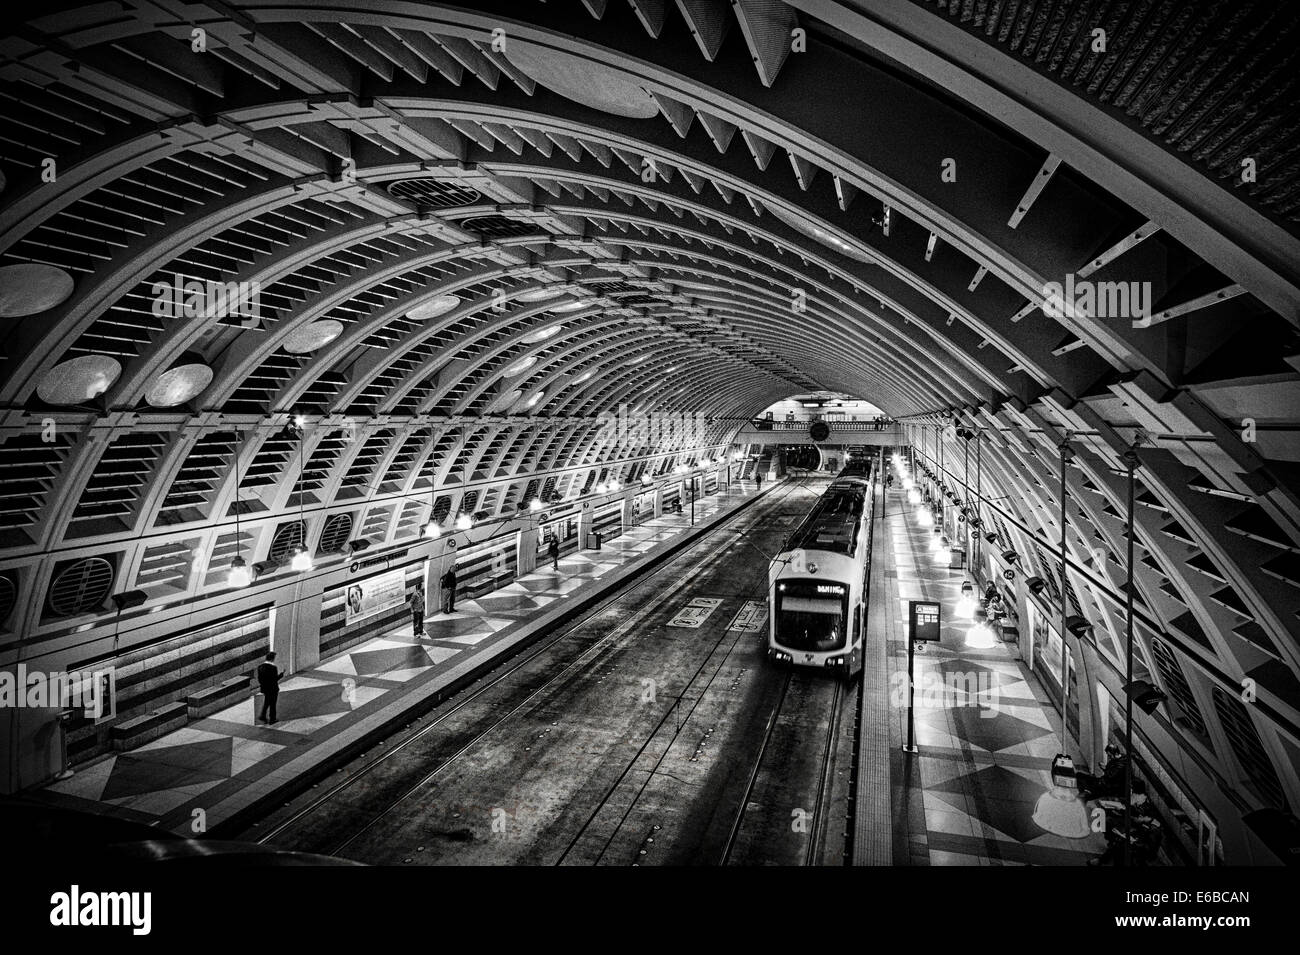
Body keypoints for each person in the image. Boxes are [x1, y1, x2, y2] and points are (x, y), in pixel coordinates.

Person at [255, 651, 282, 725]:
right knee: (273, 703)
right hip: (273, 688)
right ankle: (272, 719)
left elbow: (259, 678)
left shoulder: (260, 667)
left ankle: (263, 715)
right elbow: (274, 679)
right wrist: (281, 675)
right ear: (272, 659)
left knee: (267, 701)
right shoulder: (273, 668)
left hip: (265, 688)